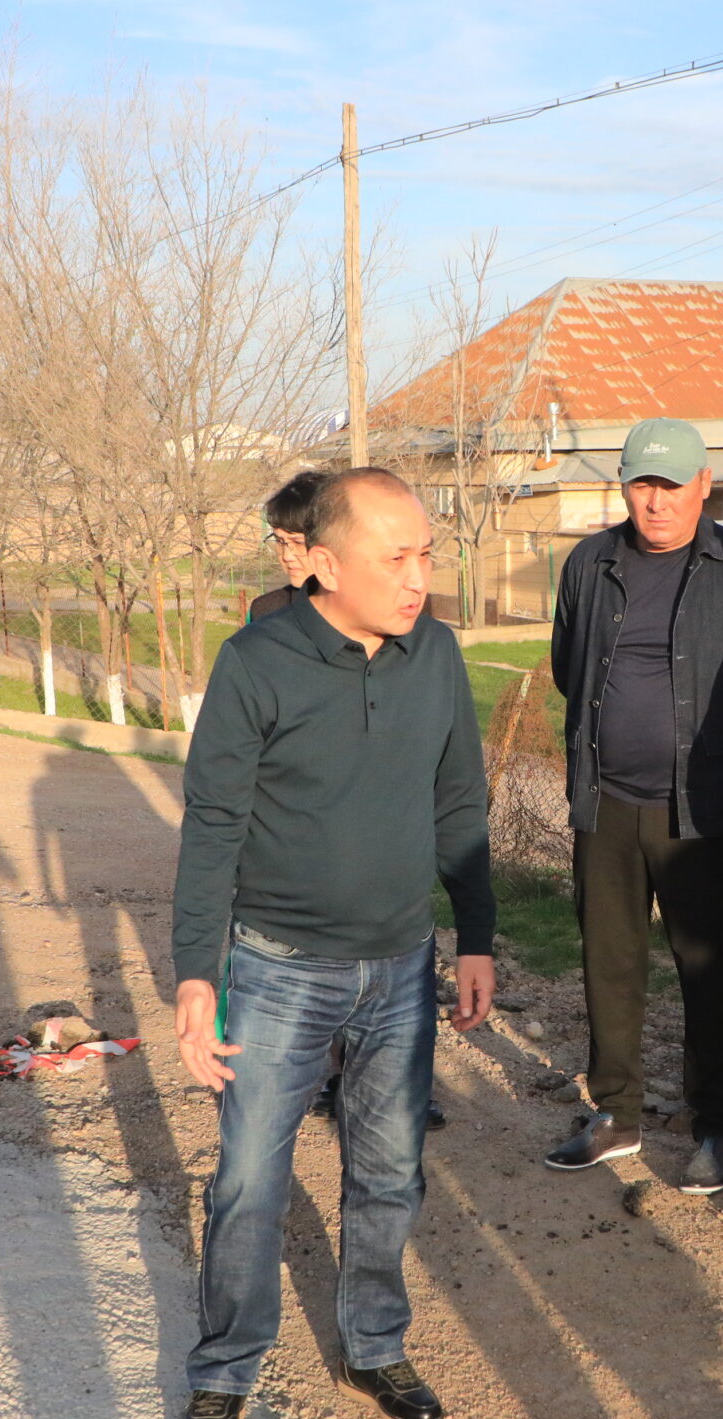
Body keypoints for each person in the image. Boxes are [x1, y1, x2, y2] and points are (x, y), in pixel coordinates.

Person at [168, 466, 496, 1419]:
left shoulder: (435, 654)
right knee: (249, 1182)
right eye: (394, 558)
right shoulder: (255, 663)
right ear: (319, 562)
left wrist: (476, 936)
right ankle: (226, 1367)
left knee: (389, 1173)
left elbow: (459, 802)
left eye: (426, 554)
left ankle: (374, 1346)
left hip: (401, 970)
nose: (418, 578)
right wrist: (197, 976)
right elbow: (213, 824)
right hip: (278, 970)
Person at [544, 418, 723, 1194]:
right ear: (623, 487)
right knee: (609, 962)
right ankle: (615, 1113)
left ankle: (715, 1124)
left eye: (671, 485)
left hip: (704, 811)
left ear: (704, 485)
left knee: (709, 968)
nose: (655, 502)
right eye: (642, 484)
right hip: (608, 803)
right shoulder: (589, 563)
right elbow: (568, 667)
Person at [252, 469, 448, 1133]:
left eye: (294, 539)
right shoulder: (268, 619)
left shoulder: (405, 619)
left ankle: (390, 1083)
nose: (287, 553)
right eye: (278, 541)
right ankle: (324, 1071)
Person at [246, 469, 325, 621]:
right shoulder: (265, 612)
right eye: (280, 541)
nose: (287, 556)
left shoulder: (367, 611)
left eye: (298, 542)